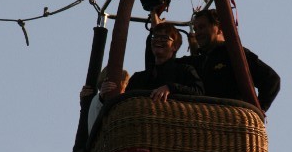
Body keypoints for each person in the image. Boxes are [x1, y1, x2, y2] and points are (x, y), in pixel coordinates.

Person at [149, 8, 280, 112]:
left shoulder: (235, 54)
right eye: (195, 29)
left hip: (231, 119)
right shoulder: (197, 61)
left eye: (202, 27)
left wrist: (258, 110)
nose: (197, 33)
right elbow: (165, 67)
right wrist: (159, 34)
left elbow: (271, 79)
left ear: (219, 29)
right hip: (205, 123)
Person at [127, 22, 204, 100]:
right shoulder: (137, 78)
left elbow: (198, 91)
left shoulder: (184, 71)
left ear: (175, 46)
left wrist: (170, 87)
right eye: (155, 37)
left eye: (164, 38)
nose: (158, 40)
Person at [79, 67, 130, 134]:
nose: (126, 87)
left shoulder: (96, 100)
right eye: (125, 83)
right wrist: (102, 96)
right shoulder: (98, 99)